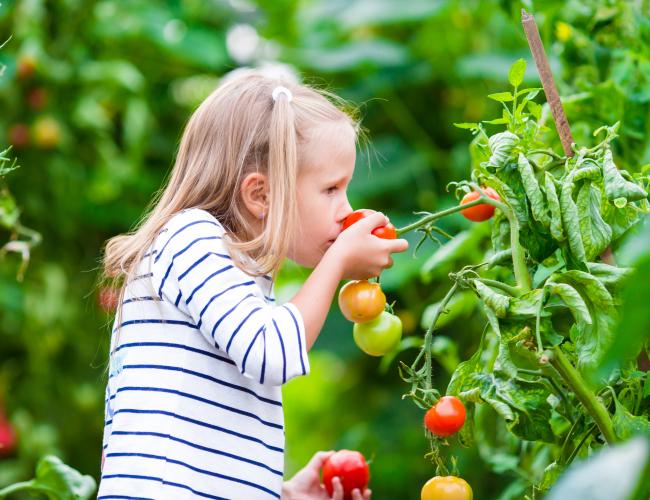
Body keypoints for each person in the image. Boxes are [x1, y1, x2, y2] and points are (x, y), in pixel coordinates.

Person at [97, 70, 408, 499]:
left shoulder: (238, 275)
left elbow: (209, 452)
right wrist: (337, 261)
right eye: (331, 189)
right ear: (260, 195)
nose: (346, 209)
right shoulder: (192, 239)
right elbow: (271, 353)